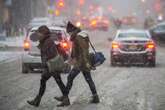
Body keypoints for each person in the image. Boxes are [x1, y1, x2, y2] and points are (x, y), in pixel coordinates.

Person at [54, 22, 100, 106]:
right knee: (88, 79)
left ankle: (65, 98)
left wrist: (85, 63)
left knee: (70, 77)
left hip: (81, 63)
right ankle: (95, 97)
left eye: (69, 32)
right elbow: (76, 50)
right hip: (81, 62)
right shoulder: (77, 37)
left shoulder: (78, 37)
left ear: (72, 31)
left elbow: (84, 51)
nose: (69, 34)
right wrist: (71, 58)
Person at [27, 25, 70, 107]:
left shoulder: (48, 41)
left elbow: (50, 54)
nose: (38, 34)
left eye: (39, 33)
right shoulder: (45, 40)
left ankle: (37, 100)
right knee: (57, 81)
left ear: (43, 33)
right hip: (51, 65)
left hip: (52, 65)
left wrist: (46, 63)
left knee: (46, 81)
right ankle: (65, 99)